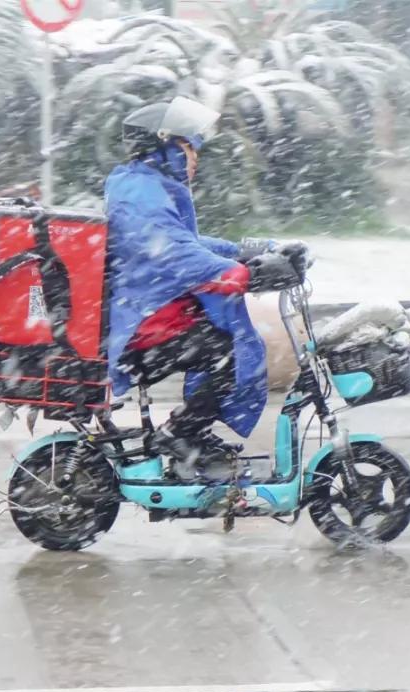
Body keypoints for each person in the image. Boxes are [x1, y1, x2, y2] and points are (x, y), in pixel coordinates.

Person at [105, 97, 307, 464]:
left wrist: (249, 252)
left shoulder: (146, 185)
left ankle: (191, 431)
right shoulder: (140, 191)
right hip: (142, 319)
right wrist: (244, 274)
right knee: (229, 351)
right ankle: (179, 433)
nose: (195, 157)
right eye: (189, 147)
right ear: (164, 147)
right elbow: (173, 253)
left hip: (154, 309)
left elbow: (189, 242)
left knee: (230, 345)